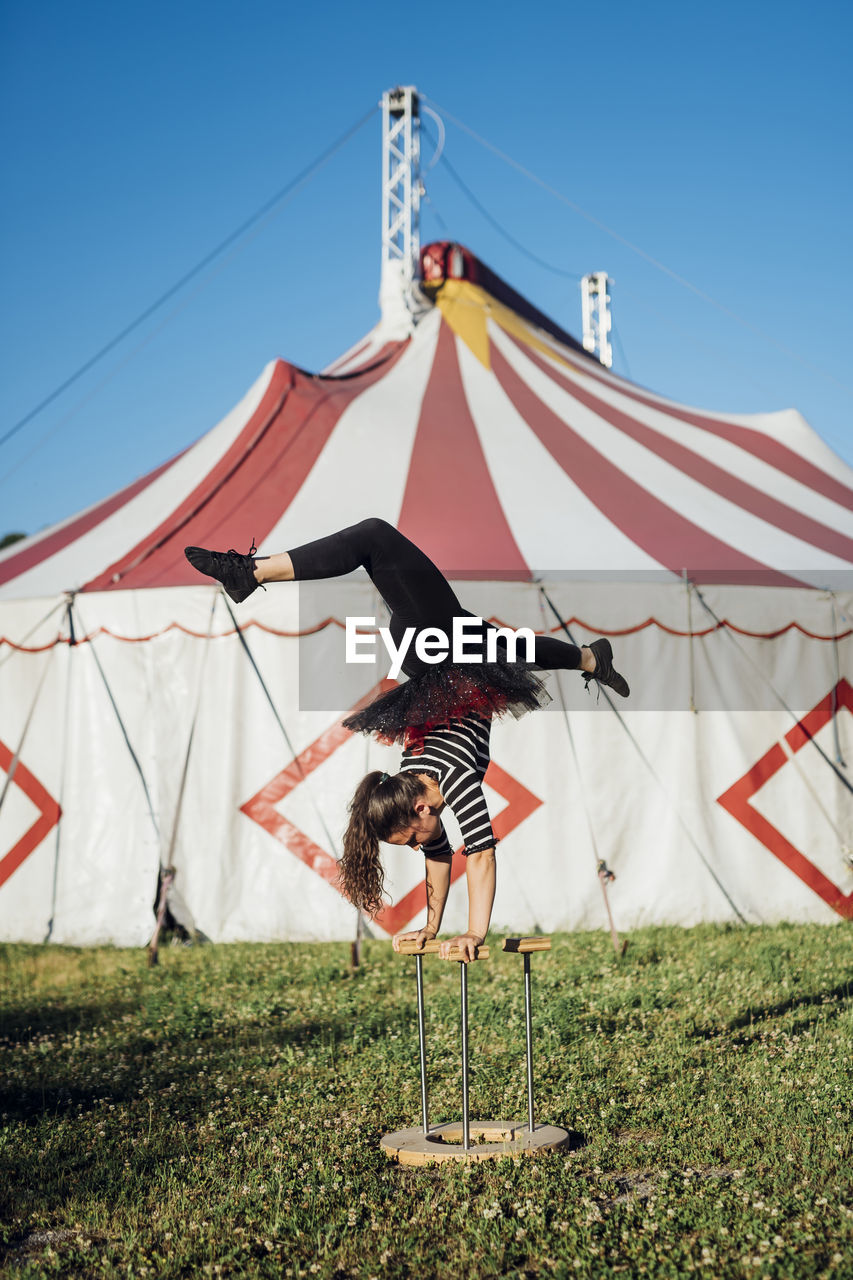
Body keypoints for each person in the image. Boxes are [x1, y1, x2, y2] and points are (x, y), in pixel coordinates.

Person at [185, 519, 629, 961]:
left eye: (411, 841)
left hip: (436, 657)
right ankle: (591, 658)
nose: (422, 846)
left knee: (375, 538)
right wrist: (431, 928)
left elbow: (480, 856)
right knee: (502, 646)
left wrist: (475, 933)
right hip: (446, 659)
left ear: (418, 808)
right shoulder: (421, 782)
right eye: (414, 844)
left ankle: (251, 573)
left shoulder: (442, 781)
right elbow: (446, 855)